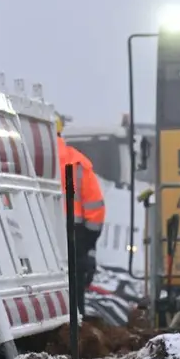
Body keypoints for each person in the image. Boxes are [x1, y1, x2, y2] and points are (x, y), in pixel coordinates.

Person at [56, 116, 106, 309]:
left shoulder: (26, 159)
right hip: (74, 235)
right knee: (74, 296)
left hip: (36, 235)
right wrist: (86, 246)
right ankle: (75, 331)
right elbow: (96, 210)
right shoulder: (77, 162)